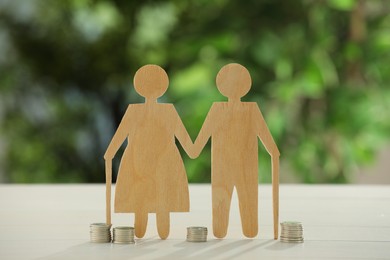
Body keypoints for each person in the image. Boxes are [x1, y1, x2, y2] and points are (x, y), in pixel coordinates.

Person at [104, 65, 193, 239]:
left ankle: (149, 228)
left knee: (145, 195)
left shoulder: (137, 111)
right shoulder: (166, 110)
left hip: (143, 160)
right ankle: (156, 229)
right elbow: (186, 142)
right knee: (157, 196)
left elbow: (119, 136)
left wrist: (110, 152)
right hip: (159, 161)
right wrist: (194, 149)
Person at [192, 63, 280, 238]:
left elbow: (198, 144)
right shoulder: (227, 109)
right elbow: (200, 141)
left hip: (237, 167)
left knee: (242, 205)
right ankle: (237, 230)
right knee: (229, 205)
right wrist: (274, 152)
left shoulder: (241, 109)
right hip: (228, 167)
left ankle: (245, 230)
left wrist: (191, 149)